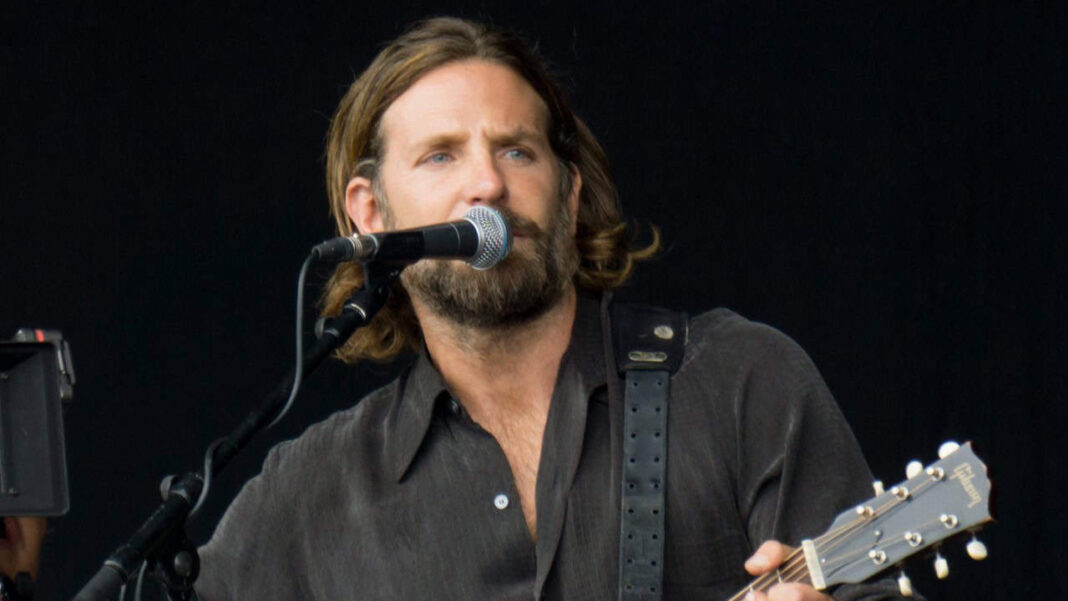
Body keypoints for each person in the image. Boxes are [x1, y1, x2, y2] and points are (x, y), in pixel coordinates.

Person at [196, 17, 907, 601]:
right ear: (371, 214)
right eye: (441, 156)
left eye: (516, 152)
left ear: (567, 197)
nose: (487, 184)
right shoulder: (311, 494)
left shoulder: (738, 381)